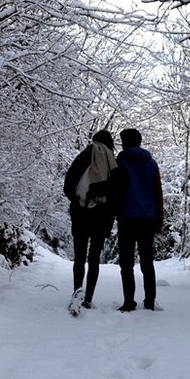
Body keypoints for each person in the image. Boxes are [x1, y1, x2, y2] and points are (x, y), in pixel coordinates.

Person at [63, 130, 119, 312]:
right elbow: (116, 192)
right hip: (101, 215)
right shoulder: (112, 161)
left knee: (79, 257)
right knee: (94, 258)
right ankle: (88, 299)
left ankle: (76, 292)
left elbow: (68, 183)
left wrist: (78, 201)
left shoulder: (85, 155)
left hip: (80, 212)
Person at [116, 128, 163, 312]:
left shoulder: (120, 162)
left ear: (125, 142)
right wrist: (159, 218)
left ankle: (129, 302)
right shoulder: (151, 164)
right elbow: (158, 192)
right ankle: (150, 300)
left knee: (126, 264)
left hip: (127, 218)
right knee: (147, 262)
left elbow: (117, 191)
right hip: (147, 218)